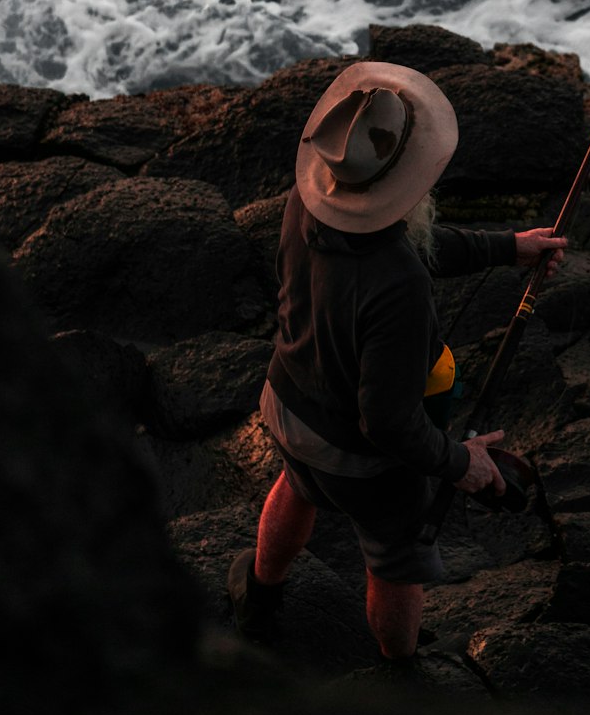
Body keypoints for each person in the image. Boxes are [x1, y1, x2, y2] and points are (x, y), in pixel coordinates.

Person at [227, 60, 567, 666]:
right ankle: (400, 669)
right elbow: (386, 423)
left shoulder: (307, 203)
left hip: (285, 403)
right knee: (394, 561)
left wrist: (508, 247)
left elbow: (408, 245)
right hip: (356, 456)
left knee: (296, 486)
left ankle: (258, 604)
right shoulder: (399, 285)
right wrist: (463, 464)